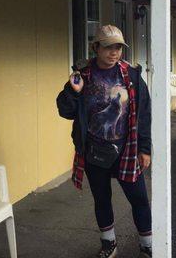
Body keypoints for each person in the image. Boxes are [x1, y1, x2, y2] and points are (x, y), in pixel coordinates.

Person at [56, 25, 152, 258]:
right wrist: (73, 91)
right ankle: (109, 243)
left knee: (138, 198)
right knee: (101, 198)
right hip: (94, 149)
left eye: (118, 47)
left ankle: (147, 244)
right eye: (108, 47)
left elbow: (144, 113)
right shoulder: (83, 75)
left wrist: (145, 147)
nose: (114, 52)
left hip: (126, 148)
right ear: (96, 48)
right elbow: (65, 110)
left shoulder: (131, 75)